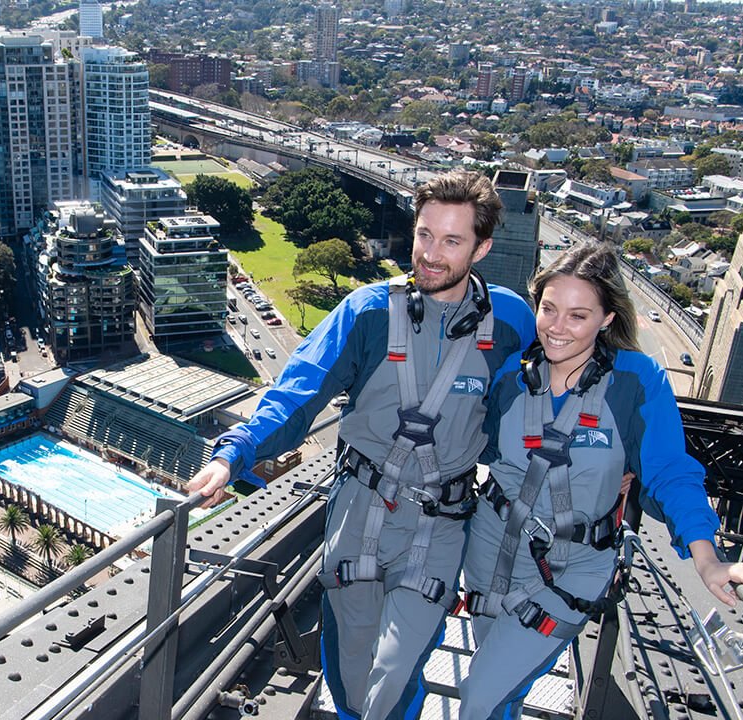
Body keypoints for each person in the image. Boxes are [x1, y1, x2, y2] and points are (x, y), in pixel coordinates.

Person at [188, 171, 537, 719]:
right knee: (352, 669)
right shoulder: (369, 312)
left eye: (452, 241)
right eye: (425, 235)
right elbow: (300, 391)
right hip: (361, 507)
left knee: (397, 668)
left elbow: (542, 400)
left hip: (443, 520)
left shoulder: (512, 321)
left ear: (483, 247)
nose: (431, 254)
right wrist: (236, 451)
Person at [459, 241, 743, 718]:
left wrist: (708, 560)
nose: (557, 328)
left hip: (571, 569)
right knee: (498, 685)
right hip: (490, 554)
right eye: (549, 309)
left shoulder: (635, 382)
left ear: (606, 319)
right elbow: (475, 447)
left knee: (479, 695)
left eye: (578, 316)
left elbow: (670, 471)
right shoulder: (512, 379)